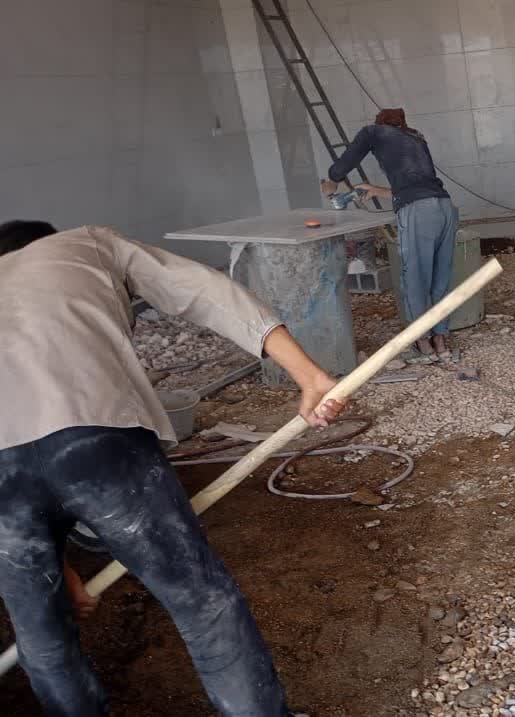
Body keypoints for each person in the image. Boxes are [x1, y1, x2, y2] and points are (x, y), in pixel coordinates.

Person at [0, 220, 347, 715]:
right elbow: (201, 289)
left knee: (44, 638)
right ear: (44, 241)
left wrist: (53, 564)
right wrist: (308, 375)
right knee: (202, 605)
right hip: (95, 442)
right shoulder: (84, 243)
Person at [322, 107, 458, 362]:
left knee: (415, 278)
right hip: (445, 208)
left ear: (380, 123)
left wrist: (331, 182)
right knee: (440, 278)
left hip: (418, 214)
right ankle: (441, 342)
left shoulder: (373, 132)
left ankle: (423, 345)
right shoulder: (416, 137)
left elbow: (342, 166)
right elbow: (418, 185)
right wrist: (375, 190)